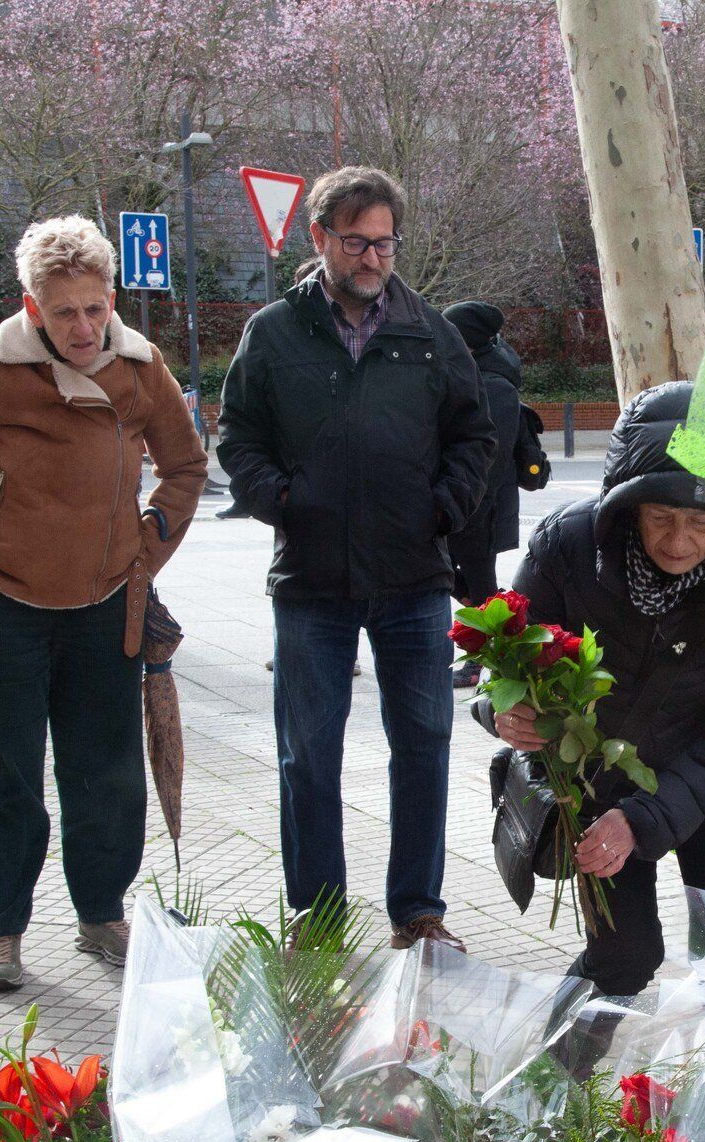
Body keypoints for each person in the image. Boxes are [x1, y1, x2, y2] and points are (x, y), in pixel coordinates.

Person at [0, 215, 207, 993]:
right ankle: (0, 930)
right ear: (31, 306)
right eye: (63, 311)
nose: (82, 326)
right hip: (2, 608)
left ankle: (101, 914)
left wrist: (147, 548)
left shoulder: (141, 368)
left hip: (108, 603)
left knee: (105, 773)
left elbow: (186, 463)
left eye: (95, 308)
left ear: (112, 300)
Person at [218, 165, 495, 953]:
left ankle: (417, 909)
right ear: (320, 239)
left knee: (424, 745)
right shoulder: (273, 333)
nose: (372, 258)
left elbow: (475, 435)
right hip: (311, 583)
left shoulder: (430, 334)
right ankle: (320, 915)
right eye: (356, 242)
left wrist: (445, 507)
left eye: (384, 243)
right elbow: (237, 436)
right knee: (309, 752)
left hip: (413, 581)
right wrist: (285, 500)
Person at [486, 382, 705, 998]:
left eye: (700, 522)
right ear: (630, 507)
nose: (678, 541)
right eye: (661, 517)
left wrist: (647, 818)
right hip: (602, 782)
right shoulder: (568, 546)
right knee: (622, 956)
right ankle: (553, 1089)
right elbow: (506, 661)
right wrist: (504, 711)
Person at [440, 300, 525, 689]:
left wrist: (463, 503)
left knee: (479, 587)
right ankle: (502, 646)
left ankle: (495, 654)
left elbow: (490, 456)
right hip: (461, 504)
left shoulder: (496, 385)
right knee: (463, 583)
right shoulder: (471, 372)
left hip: (479, 509)